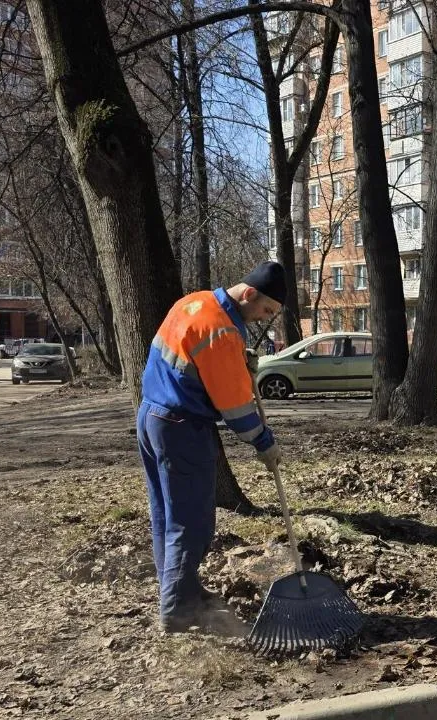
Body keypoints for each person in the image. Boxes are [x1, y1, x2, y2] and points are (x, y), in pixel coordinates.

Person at [137, 261, 286, 633]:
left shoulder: (196, 302)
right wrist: (263, 441)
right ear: (248, 293)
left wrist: (237, 361)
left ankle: (181, 590)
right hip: (181, 427)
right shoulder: (221, 330)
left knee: (167, 514)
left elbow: (193, 361)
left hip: (151, 416)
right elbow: (236, 409)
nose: (264, 318)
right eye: (266, 309)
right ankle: (176, 609)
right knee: (192, 522)